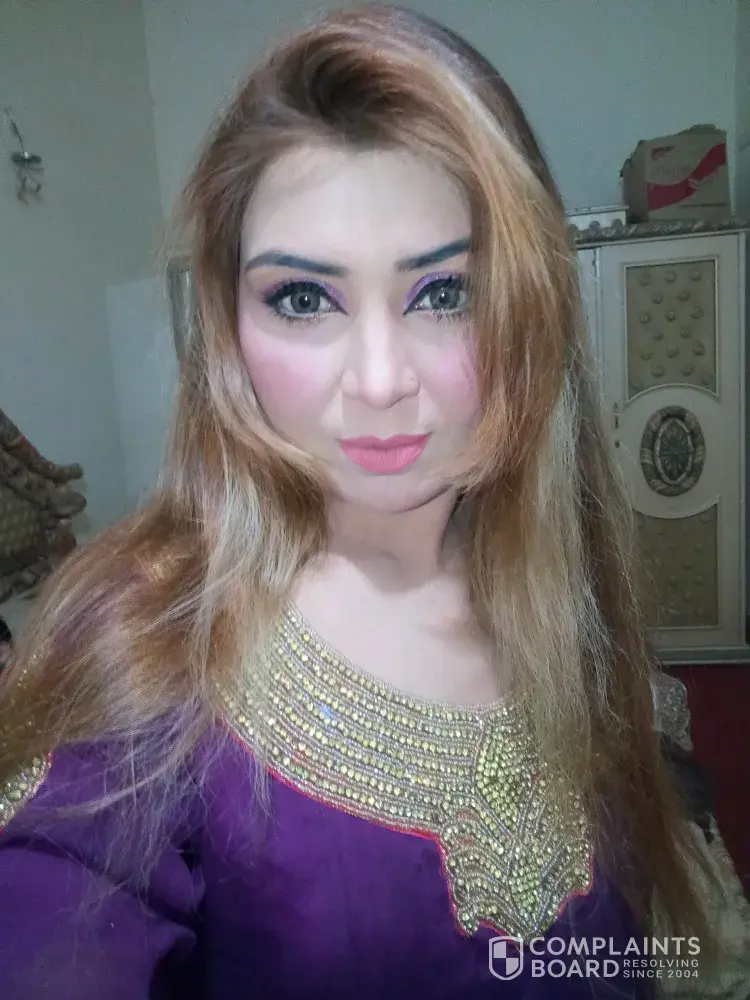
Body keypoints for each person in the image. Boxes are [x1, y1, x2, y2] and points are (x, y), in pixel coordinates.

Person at [0, 5, 747, 997]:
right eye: (304, 298)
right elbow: (57, 909)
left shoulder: (555, 579)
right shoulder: (144, 636)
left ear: (525, 310)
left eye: (444, 293)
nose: (383, 380)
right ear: (228, 325)